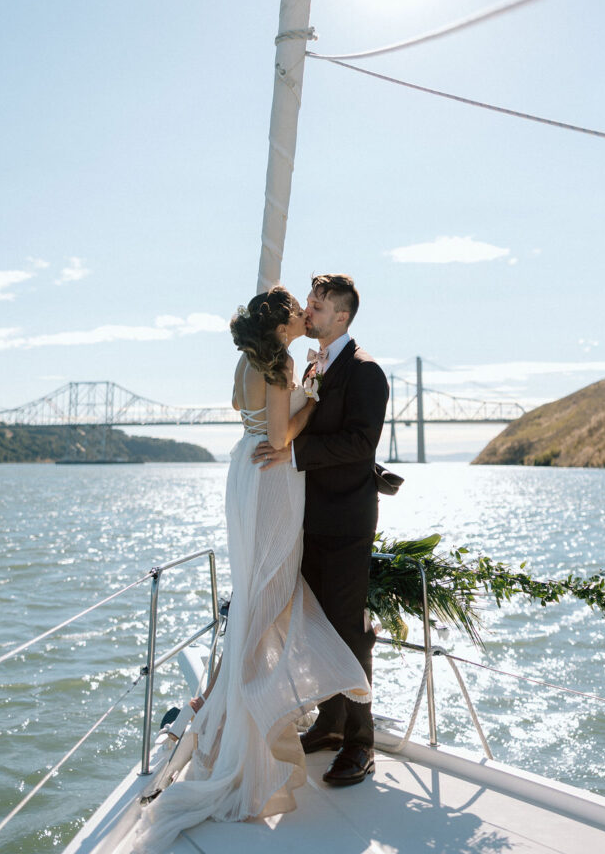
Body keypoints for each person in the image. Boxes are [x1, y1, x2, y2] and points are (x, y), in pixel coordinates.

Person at [121, 286, 370, 854]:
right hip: (274, 479)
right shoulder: (283, 362)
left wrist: (287, 402)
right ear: (283, 323)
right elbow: (281, 437)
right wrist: (307, 400)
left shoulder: (248, 361)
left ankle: (233, 706)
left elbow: (243, 411)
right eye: (299, 309)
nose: (306, 313)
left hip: (242, 473)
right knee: (269, 594)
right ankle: (249, 726)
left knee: (256, 592)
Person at [253, 274, 389, 787]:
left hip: (347, 522)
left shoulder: (366, 372)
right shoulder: (312, 365)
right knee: (317, 627)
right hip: (308, 516)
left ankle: (362, 743)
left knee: (348, 631)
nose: (307, 310)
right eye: (309, 303)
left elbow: (360, 443)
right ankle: (331, 723)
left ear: (343, 316)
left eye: (317, 304)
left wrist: (296, 452)